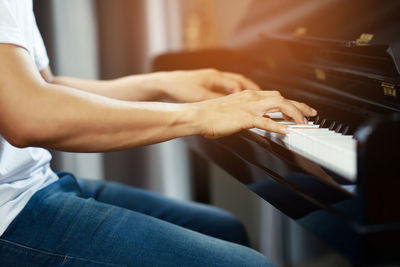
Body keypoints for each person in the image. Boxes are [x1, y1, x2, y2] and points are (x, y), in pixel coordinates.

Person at [0, 1, 317, 266]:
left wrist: (162, 82)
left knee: (224, 227)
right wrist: (201, 114)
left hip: (34, 183)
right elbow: (29, 117)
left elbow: (45, 87)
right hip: (9, 214)